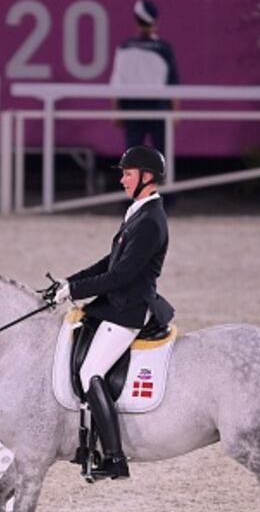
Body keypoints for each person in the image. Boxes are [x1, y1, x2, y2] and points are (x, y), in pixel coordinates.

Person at [53, 145, 175, 480]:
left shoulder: (151, 222)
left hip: (129, 309)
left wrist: (76, 291)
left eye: (128, 174)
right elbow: (110, 262)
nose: (122, 179)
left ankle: (115, 457)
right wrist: (70, 281)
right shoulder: (138, 212)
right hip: (116, 303)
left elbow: (121, 276)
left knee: (90, 372)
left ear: (147, 177)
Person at [109, 0, 180, 154]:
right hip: (158, 107)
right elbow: (173, 83)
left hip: (133, 108)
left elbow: (117, 83)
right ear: (156, 21)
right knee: (161, 155)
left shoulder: (125, 47)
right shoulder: (164, 48)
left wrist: (116, 111)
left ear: (136, 19)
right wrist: (175, 112)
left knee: (132, 156)